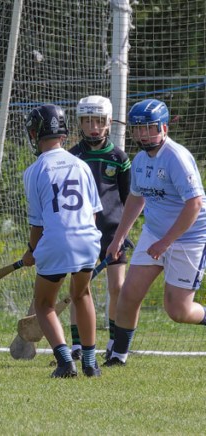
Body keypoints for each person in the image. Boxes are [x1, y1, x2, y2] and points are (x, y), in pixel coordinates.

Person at [104, 99, 206, 367]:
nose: (142, 134)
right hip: (154, 233)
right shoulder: (139, 160)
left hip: (189, 238)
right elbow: (136, 199)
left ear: (163, 128)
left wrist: (166, 242)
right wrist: (118, 238)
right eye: (137, 129)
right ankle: (118, 356)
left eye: (149, 128)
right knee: (129, 293)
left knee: (178, 311)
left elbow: (195, 204)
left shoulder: (176, 158)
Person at [20, 104, 102, 378]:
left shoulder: (34, 171)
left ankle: (66, 362)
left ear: (34, 133)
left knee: (44, 304)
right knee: (82, 295)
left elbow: (38, 224)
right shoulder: (82, 165)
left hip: (56, 241)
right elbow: (92, 212)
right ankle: (90, 363)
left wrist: (31, 252)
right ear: (64, 133)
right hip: (88, 238)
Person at [66, 96, 131, 361]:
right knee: (79, 290)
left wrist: (124, 234)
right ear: (80, 123)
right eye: (88, 121)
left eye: (99, 121)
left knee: (118, 287)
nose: (94, 127)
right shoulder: (72, 156)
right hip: (81, 233)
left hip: (113, 233)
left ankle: (114, 342)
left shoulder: (119, 157)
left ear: (109, 123)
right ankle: (78, 345)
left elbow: (129, 200)